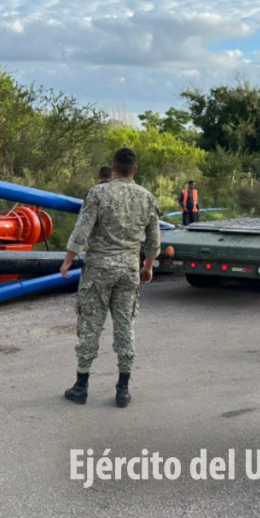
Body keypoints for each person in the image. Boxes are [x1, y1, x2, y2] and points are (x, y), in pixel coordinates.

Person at [59, 148, 160, 408]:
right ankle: (123, 389)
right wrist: (148, 266)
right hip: (128, 270)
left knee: (90, 326)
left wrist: (68, 259)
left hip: (98, 269)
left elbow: (82, 230)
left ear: (113, 169)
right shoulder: (146, 197)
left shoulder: (98, 193)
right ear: (135, 170)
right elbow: (153, 240)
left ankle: (81, 386)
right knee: (125, 326)